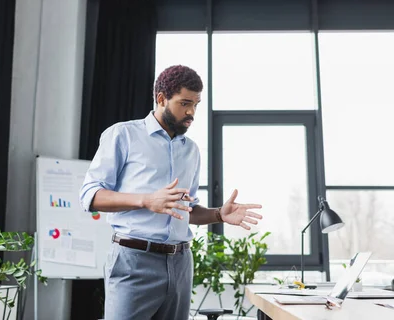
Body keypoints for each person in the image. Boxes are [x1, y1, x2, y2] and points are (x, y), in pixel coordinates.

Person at [79, 65, 263, 320]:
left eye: (196, 104)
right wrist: (146, 200)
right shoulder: (123, 135)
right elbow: (90, 196)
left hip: (180, 264)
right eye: (185, 103)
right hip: (134, 261)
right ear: (161, 98)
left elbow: (187, 210)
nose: (191, 112)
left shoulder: (191, 150)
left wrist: (219, 214)